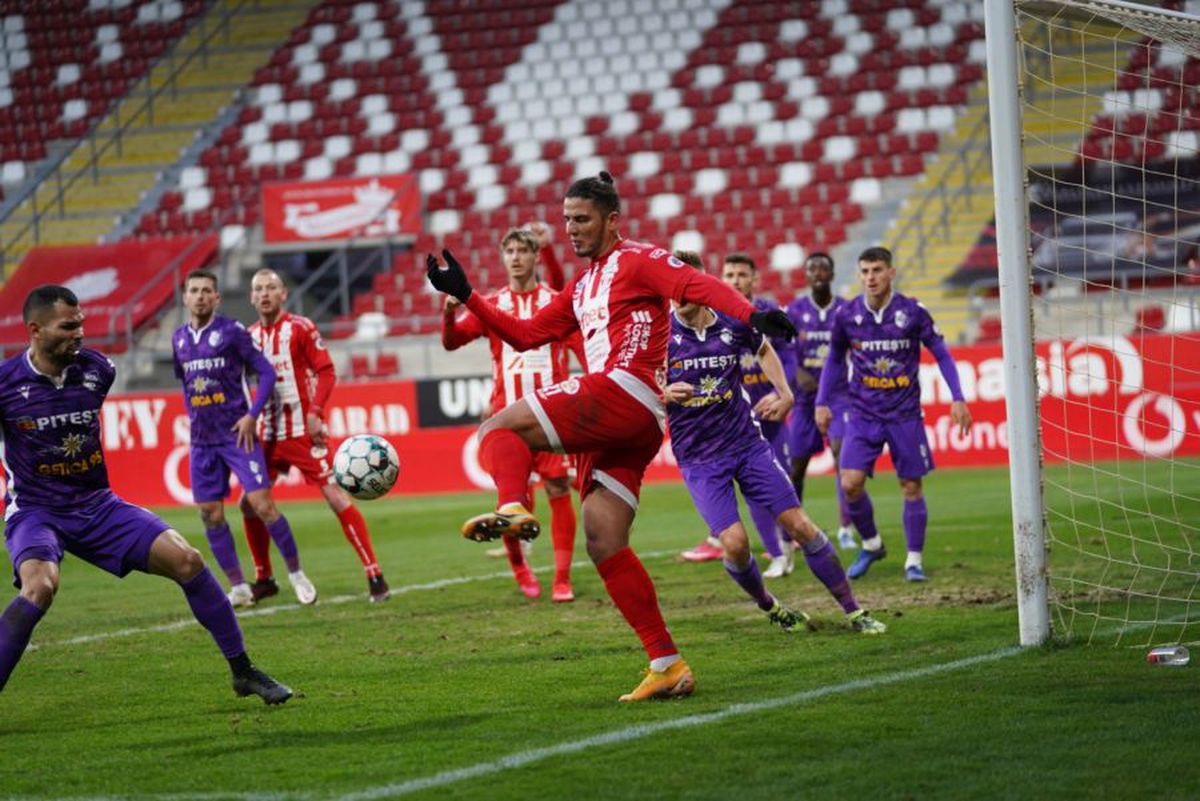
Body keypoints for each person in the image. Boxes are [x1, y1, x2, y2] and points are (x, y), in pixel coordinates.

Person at [426, 171, 798, 702]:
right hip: (635, 426)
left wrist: (753, 313)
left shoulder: (638, 259)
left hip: (624, 390)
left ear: (611, 220)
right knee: (604, 542)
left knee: (497, 428)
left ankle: (511, 505)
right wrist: (465, 294)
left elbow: (695, 285)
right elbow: (526, 334)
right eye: (567, 220)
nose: (571, 229)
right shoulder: (582, 284)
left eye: (582, 219)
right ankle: (667, 663)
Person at [0, 285, 291, 703]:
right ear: (34, 330)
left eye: (81, 324)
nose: (79, 334)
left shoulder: (98, 370)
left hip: (98, 505)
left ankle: (244, 672)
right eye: (67, 326)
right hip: (36, 511)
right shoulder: (6, 385)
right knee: (39, 587)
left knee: (188, 561)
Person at [666, 252, 886, 634]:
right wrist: (663, 391)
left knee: (801, 524)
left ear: (703, 287)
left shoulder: (733, 322)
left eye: (688, 285)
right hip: (699, 459)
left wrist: (785, 393)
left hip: (746, 445)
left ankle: (854, 610)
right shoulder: (656, 334)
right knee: (735, 545)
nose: (679, 294)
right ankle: (771, 606)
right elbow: (632, 379)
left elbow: (764, 348)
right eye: (673, 287)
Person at [815, 247, 973, 582]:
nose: (870, 277)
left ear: (891, 273)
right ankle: (872, 544)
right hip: (862, 414)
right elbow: (833, 360)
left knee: (910, 485)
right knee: (850, 483)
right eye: (865, 271)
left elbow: (942, 354)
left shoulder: (912, 312)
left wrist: (957, 397)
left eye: (876, 270)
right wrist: (821, 401)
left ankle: (913, 561)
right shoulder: (847, 315)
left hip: (904, 415)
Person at [440, 228, 581, 602]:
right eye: (510, 251)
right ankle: (520, 568)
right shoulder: (490, 305)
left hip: (551, 416)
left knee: (557, 488)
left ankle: (562, 579)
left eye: (523, 250)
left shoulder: (556, 302)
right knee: (514, 501)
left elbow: (581, 350)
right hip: (508, 420)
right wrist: (448, 318)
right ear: (503, 258)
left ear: (536, 256)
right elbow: (453, 343)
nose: (516, 257)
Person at [172, 269, 316, 607]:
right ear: (186, 298)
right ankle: (238, 587)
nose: (201, 296)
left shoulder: (232, 332)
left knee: (262, 505)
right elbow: (186, 384)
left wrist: (252, 415)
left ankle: (296, 574)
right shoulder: (178, 339)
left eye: (207, 290)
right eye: (194, 290)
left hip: (237, 437)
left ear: (217, 298)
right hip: (201, 442)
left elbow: (266, 372)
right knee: (210, 513)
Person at [246, 268, 390, 603]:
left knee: (336, 496)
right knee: (250, 504)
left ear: (284, 294)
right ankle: (264, 577)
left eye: (271, 287)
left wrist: (315, 413)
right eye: (259, 289)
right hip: (266, 436)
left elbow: (325, 371)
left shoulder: (301, 328)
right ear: (252, 297)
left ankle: (375, 574)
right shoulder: (248, 337)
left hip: (302, 433)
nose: (265, 294)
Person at [680, 253, 809, 578]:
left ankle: (788, 541)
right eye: (729, 274)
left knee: (783, 484)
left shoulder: (765, 314)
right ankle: (778, 554)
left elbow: (786, 355)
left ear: (754, 279)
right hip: (734, 417)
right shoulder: (713, 315)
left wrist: (780, 392)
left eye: (741, 274)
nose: (735, 280)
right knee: (752, 493)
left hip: (770, 412)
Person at [785, 252, 856, 550]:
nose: (817, 272)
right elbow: (785, 353)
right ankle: (794, 531)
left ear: (832, 272)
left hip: (840, 397)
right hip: (804, 401)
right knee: (796, 467)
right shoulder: (794, 310)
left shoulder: (846, 309)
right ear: (806, 275)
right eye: (812, 268)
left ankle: (845, 529)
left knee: (843, 458)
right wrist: (799, 374)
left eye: (823, 267)